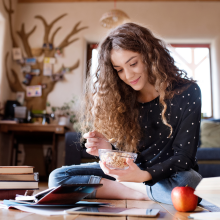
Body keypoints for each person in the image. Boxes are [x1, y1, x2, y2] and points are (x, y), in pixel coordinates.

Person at [49, 22, 202, 204]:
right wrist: (107, 151)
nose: (128, 76)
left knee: (189, 182)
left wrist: (143, 176)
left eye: (133, 63)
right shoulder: (121, 98)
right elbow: (129, 156)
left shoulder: (187, 91)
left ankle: (134, 188)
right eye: (119, 70)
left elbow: (184, 158)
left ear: (150, 55)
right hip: (132, 174)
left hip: (170, 176)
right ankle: (138, 192)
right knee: (58, 178)